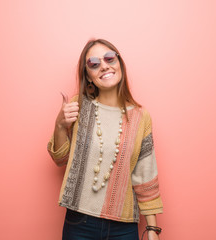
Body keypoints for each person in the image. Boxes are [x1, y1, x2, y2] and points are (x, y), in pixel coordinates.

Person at [47, 39, 163, 240]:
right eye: (93, 63)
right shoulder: (78, 106)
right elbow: (60, 160)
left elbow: (145, 174)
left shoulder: (140, 117)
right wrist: (59, 125)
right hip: (79, 224)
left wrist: (152, 230)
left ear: (119, 64)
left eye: (109, 58)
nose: (104, 66)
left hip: (124, 227)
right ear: (89, 77)